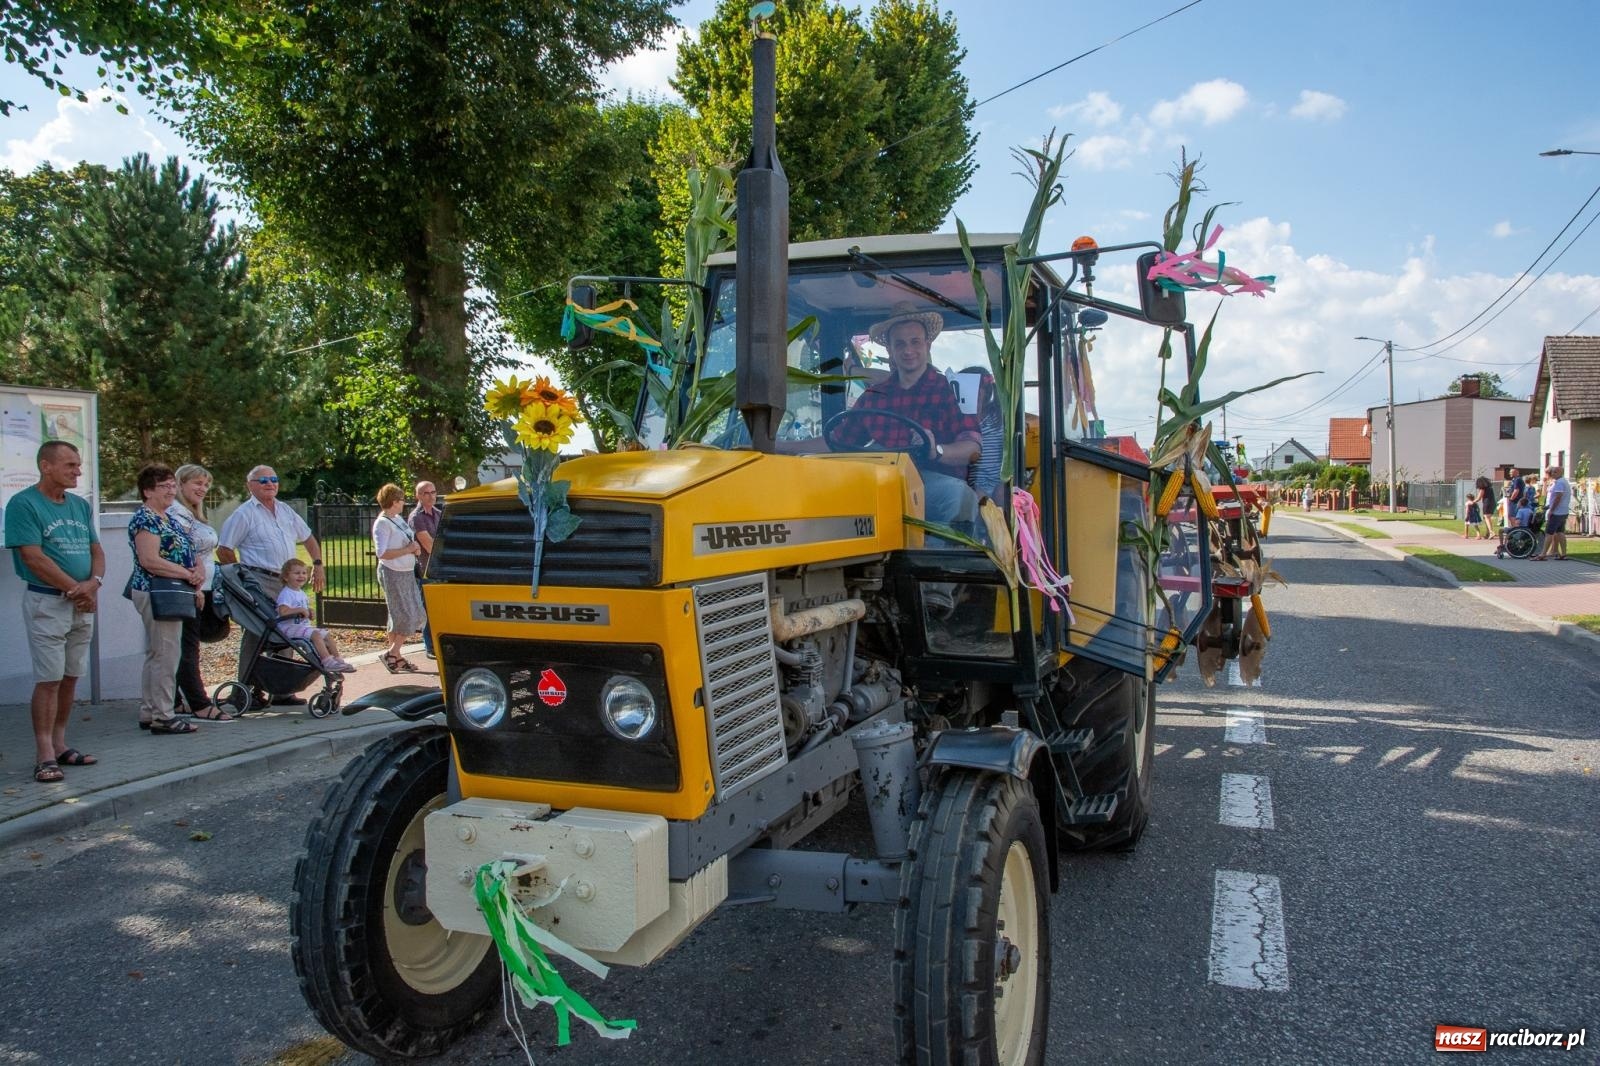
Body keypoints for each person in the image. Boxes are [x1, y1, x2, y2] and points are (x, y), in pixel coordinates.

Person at [822, 308, 982, 533]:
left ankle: (952, 561)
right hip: (880, 484)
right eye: (900, 344)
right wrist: (776, 445)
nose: (908, 350)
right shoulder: (874, 396)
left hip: (930, 485)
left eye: (915, 342)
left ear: (927, 345)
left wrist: (936, 449)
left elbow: (972, 448)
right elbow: (836, 442)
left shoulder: (950, 390)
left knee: (958, 495)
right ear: (890, 350)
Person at [5, 442, 106, 781]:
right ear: (46, 466)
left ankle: (61, 744)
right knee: (48, 679)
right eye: (70, 465)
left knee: (70, 675)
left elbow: (96, 550)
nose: (78, 471)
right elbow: (33, 557)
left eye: (78, 465)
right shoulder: (23, 504)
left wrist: (94, 583)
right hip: (48, 602)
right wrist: (75, 589)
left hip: (82, 601)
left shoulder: (79, 505)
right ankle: (44, 753)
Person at [217, 465, 325, 705]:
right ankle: (243, 692)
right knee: (258, 632)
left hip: (284, 580)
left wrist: (317, 564)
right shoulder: (245, 514)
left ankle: (282, 691)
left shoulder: (285, 510)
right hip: (259, 579)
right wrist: (241, 578)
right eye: (263, 480)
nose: (270, 483)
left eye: (273, 479)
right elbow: (224, 549)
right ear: (250, 485)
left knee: (287, 630)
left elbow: (307, 537)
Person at [128, 464, 205, 735]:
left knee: (158, 652)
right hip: (157, 591)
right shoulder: (145, 519)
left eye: (173, 486)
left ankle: (150, 710)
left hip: (175, 589)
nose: (171, 491)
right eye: (165, 486)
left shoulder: (167, 518)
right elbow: (150, 560)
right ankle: (164, 714)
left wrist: (197, 572)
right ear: (147, 491)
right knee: (166, 654)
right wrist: (187, 573)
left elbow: (188, 549)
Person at [167, 463, 232, 721]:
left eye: (206, 484)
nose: (203, 489)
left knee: (184, 646)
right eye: (197, 483)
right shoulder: (176, 514)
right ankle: (198, 702)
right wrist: (194, 585)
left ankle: (175, 700)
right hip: (187, 588)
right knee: (186, 648)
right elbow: (180, 554)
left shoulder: (193, 515)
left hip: (201, 588)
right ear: (180, 484)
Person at [373, 483, 424, 673]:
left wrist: (415, 547)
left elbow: (409, 539)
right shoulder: (383, 523)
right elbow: (382, 553)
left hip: (406, 571)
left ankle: (396, 656)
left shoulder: (397, 519)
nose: (404, 503)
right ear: (394, 501)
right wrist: (407, 550)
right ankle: (392, 653)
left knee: (413, 613)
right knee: (406, 614)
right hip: (392, 572)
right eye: (402, 500)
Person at [275, 559, 355, 672]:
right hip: (288, 628)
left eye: (304, 573)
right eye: (296, 573)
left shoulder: (301, 593)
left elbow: (302, 611)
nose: (301, 576)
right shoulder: (286, 593)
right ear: (286, 577)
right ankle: (327, 661)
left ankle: (338, 660)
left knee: (326, 634)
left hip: (301, 627)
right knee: (316, 635)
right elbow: (283, 611)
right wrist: (301, 609)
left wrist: (309, 612)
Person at [408, 480, 441, 658]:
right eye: (426, 493)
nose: (431, 496)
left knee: (441, 608)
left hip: (441, 567)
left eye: (433, 492)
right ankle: (429, 647)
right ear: (418, 496)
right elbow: (429, 545)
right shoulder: (416, 517)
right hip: (426, 569)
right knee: (428, 609)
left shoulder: (439, 513)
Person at [1534, 465, 1571, 561]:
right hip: (1563, 511)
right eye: (1552, 472)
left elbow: (1558, 497)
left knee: (1549, 533)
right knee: (1560, 532)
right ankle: (1563, 553)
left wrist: (1551, 510)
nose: (1552, 474)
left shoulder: (1559, 483)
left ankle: (1543, 554)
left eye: (1555, 472)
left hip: (1557, 512)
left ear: (1560, 473)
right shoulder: (1562, 482)